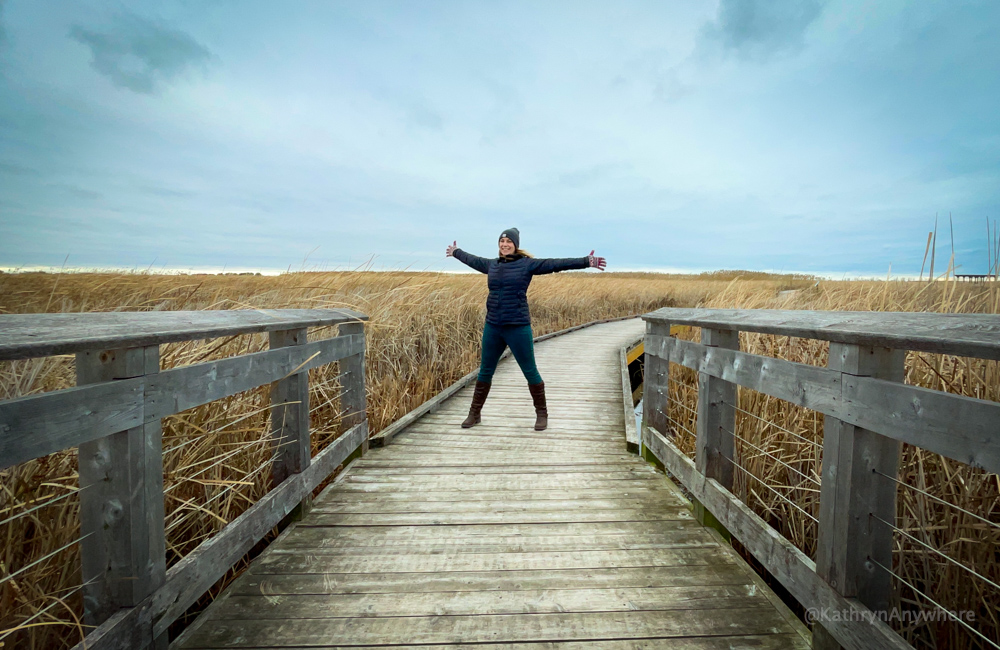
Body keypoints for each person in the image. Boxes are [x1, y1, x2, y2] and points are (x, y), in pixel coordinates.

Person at [446, 228, 606, 431]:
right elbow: (472, 259)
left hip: (518, 327)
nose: (504, 244)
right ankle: (474, 413)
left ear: (515, 244)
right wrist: (456, 251)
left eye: (508, 241)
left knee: (530, 371)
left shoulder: (526, 265)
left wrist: (585, 261)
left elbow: (555, 265)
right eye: (502, 241)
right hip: (493, 326)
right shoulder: (491, 265)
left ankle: (542, 414)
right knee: (485, 370)